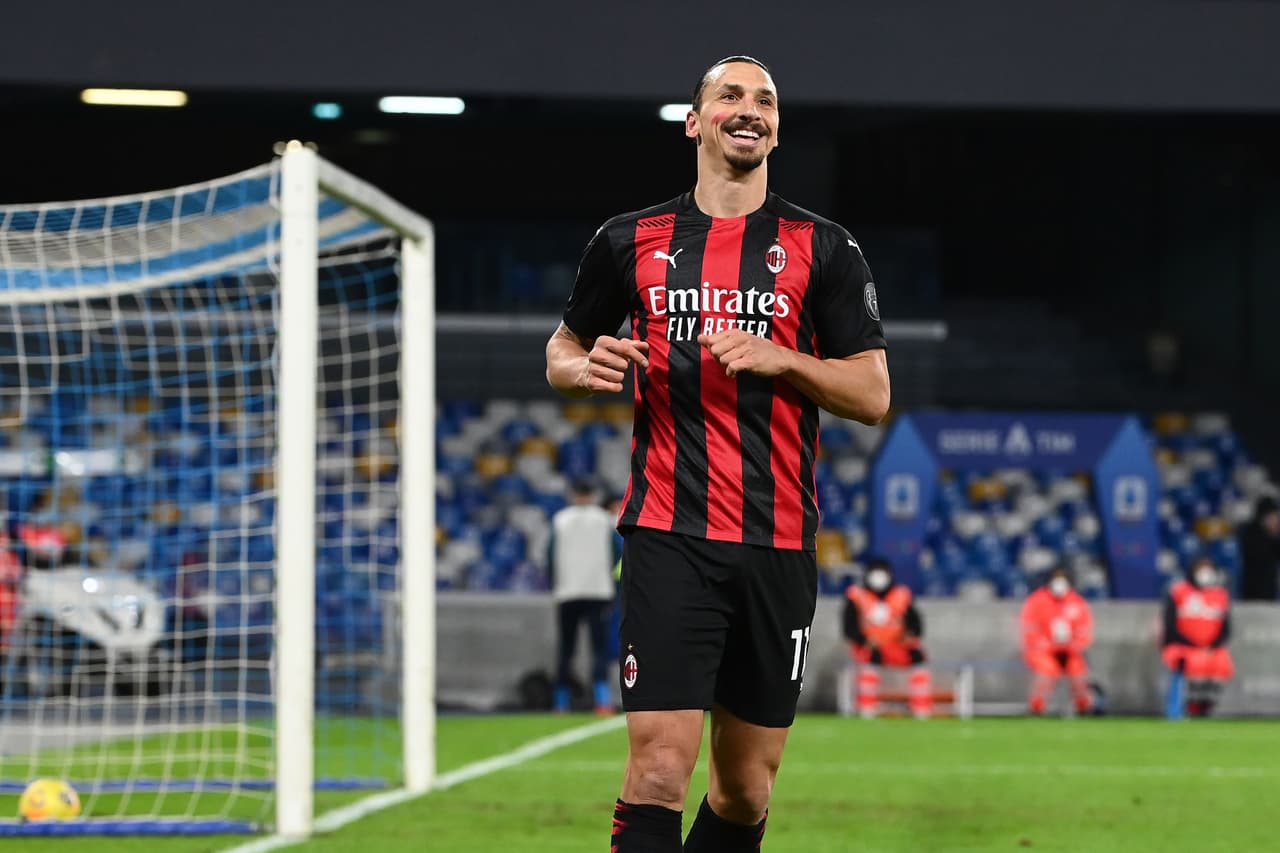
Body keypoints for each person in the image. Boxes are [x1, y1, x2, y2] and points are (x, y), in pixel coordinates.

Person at [545, 55, 890, 853]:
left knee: (744, 790)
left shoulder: (825, 246)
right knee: (661, 766)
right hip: (669, 532)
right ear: (694, 122)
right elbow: (564, 346)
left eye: (764, 100)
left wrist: (787, 361)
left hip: (777, 543)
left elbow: (873, 394)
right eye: (729, 95)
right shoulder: (629, 239)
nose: (749, 108)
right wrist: (580, 365)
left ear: (775, 126)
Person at [547, 479, 619, 714]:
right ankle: (602, 700)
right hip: (598, 591)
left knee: (566, 648)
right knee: (598, 648)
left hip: (568, 592)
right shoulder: (604, 520)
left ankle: (561, 702)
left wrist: (556, 584)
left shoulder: (560, 520)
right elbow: (617, 554)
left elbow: (549, 556)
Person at [842, 558, 932, 718]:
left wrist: (909, 636)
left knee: (918, 656)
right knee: (871, 659)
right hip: (870, 647)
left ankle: (921, 709)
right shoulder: (857, 595)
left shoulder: (901, 594)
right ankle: (867, 709)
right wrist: (865, 640)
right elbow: (849, 628)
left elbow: (916, 625)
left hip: (897, 645)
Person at [1162, 555, 1233, 718]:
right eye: (1201, 567)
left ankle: (1204, 708)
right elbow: (1169, 626)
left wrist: (1212, 645)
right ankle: (1177, 709)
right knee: (1183, 662)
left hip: (1211, 649)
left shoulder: (1220, 595)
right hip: (1182, 646)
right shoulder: (1179, 591)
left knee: (1220, 663)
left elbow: (1226, 629)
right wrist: (1193, 645)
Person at [1019, 566, 1094, 715]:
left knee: (1078, 671)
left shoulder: (1076, 602)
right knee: (1046, 670)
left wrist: (1075, 644)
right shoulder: (1037, 601)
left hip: (1070, 650)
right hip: (1044, 651)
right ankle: (1036, 708)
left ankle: (1084, 707)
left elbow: (1085, 629)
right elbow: (1029, 628)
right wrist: (1044, 644)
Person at [1240, 495, 1280, 601]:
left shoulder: (1272, 534)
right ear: (1262, 517)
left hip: (1269, 594)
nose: (1275, 520)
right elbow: (1260, 558)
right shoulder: (1250, 533)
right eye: (1272, 516)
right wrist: (1272, 536)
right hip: (1252, 594)